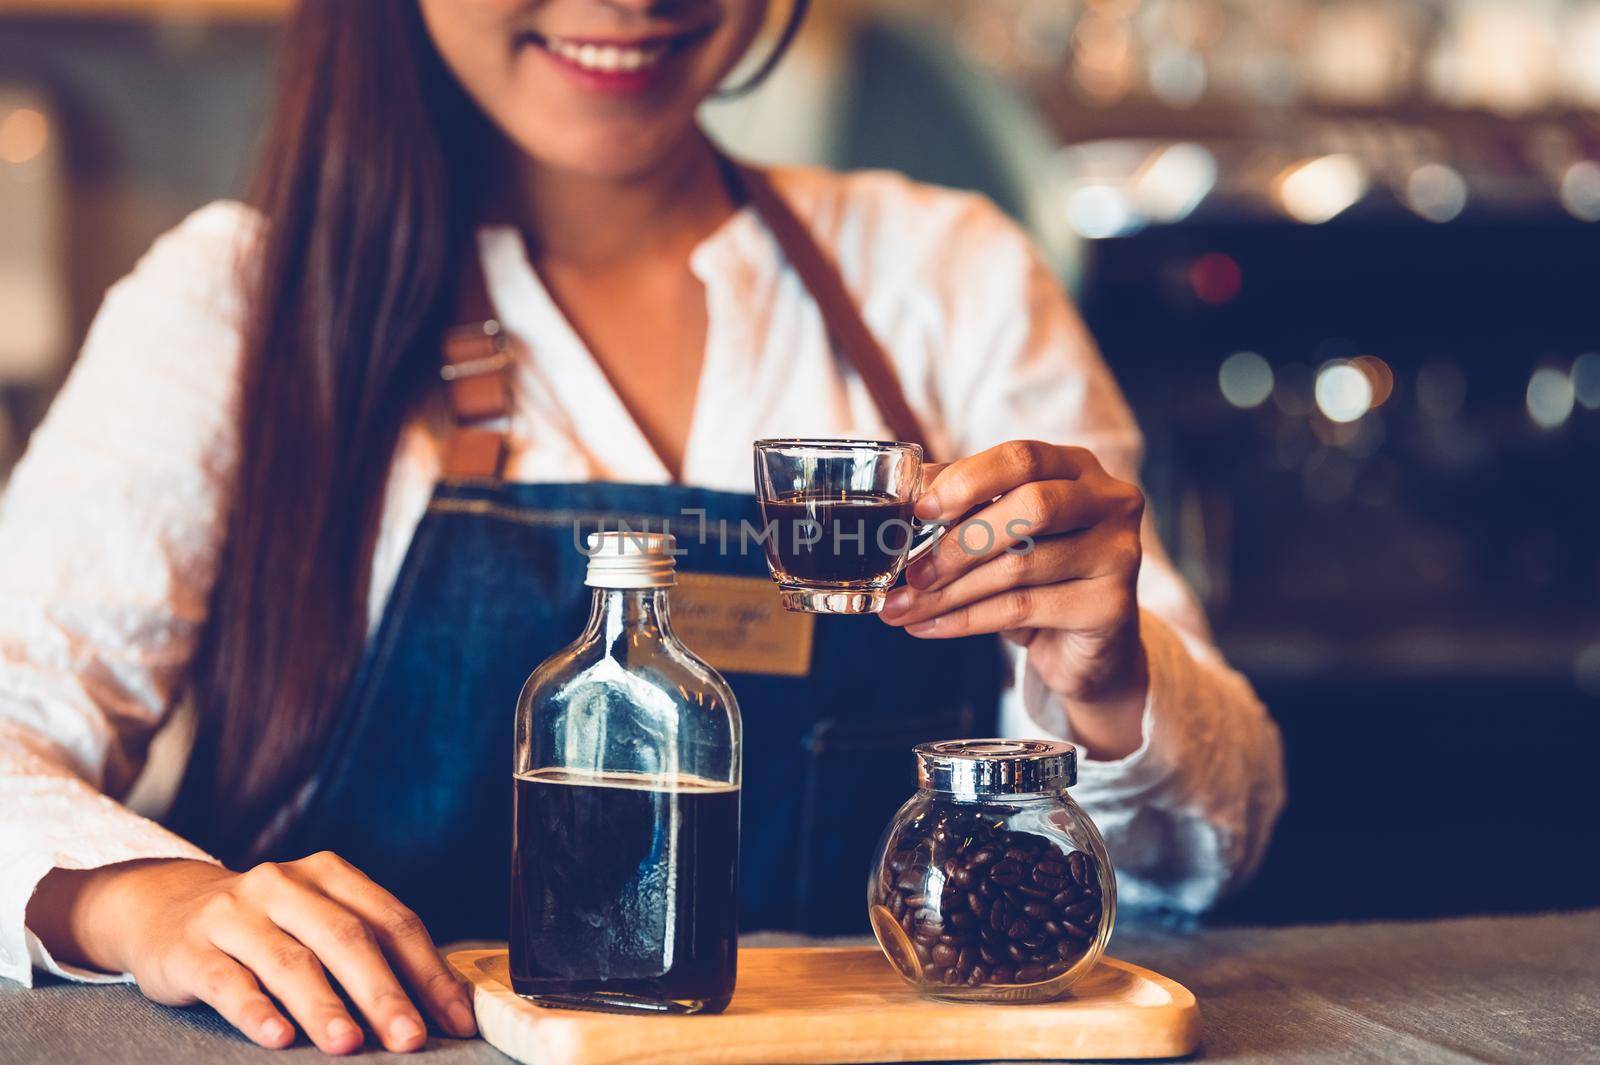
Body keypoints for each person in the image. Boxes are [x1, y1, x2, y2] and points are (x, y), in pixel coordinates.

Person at [0, 0, 1284, 1054]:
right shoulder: (242, 302)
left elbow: (1202, 849)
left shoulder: (947, 277)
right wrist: (143, 902)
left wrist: (1110, 682)